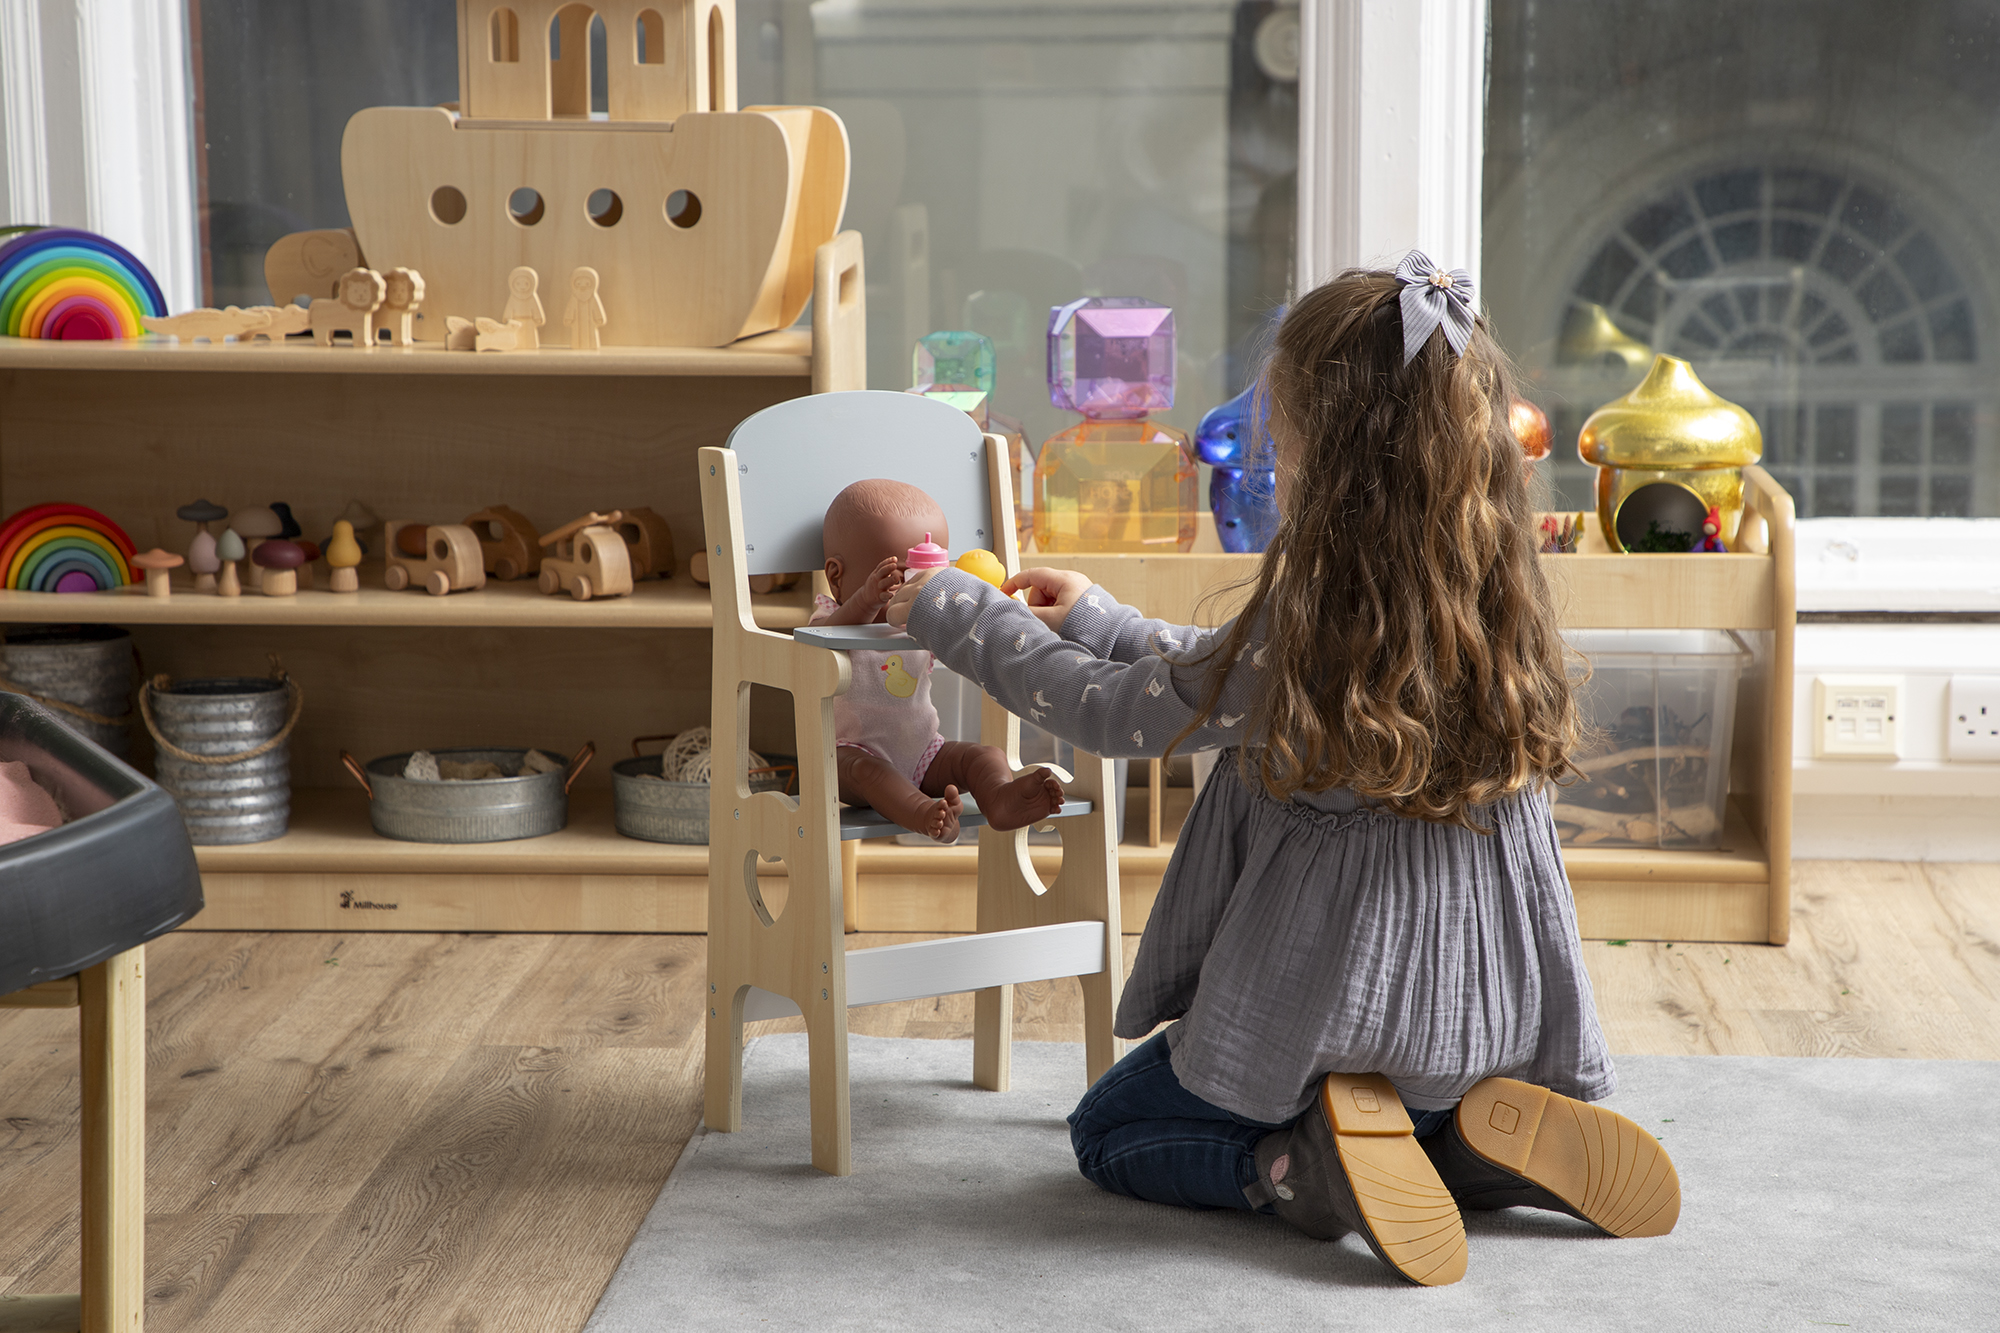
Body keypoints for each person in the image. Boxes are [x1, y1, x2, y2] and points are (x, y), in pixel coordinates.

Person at [888, 254, 1680, 1287]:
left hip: (1332, 1013)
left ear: (1321, 455)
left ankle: (1297, 1167)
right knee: (1417, 1101)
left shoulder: (1306, 632)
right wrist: (1101, 617)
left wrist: (954, 610)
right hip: (1476, 1022)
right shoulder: (1491, 608)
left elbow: (1106, 712)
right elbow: (1216, 674)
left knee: (1110, 1129)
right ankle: (1465, 1148)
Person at [812, 478, 1066, 842]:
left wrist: (985, 604)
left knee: (983, 756)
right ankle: (923, 814)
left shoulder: (921, 621)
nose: (919, 589)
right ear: (837, 578)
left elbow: (972, 640)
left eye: (930, 575)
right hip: (848, 757)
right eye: (900, 576)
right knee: (869, 773)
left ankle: (999, 797)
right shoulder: (828, 615)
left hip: (923, 751)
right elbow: (821, 640)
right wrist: (867, 600)